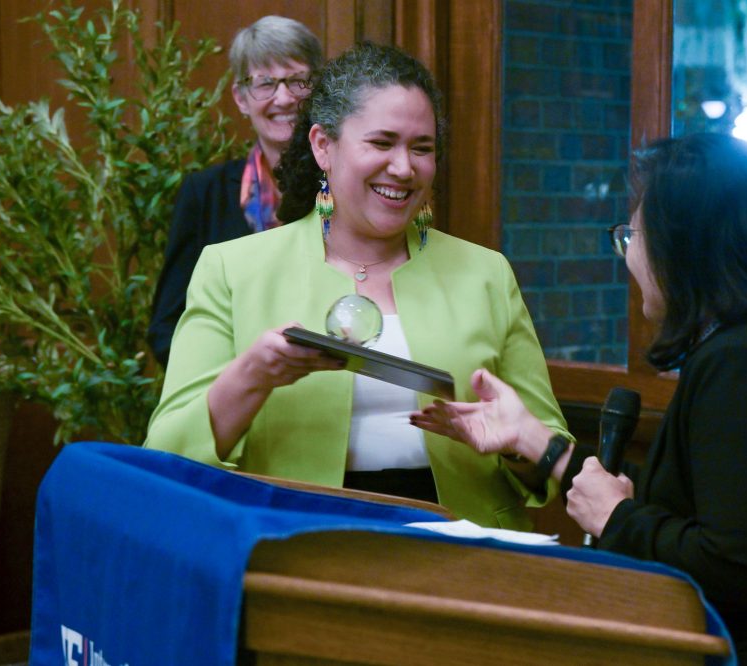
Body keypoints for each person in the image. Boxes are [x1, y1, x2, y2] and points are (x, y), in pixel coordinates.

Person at [411, 133, 747, 664]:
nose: (629, 255)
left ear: (689, 246)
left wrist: (616, 518)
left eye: (633, 235)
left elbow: (736, 567)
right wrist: (538, 442)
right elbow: (691, 505)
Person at [144, 42, 571, 531]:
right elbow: (166, 455)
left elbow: (549, 457)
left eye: (422, 148)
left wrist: (514, 444)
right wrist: (251, 377)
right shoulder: (231, 269)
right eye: (382, 143)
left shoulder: (486, 273)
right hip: (295, 545)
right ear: (323, 145)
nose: (404, 167)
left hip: (464, 548)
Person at [147, 16, 323, 367]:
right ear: (241, 99)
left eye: (297, 81)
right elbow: (167, 327)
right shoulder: (203, 195)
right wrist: (240, 378)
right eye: (265, 83)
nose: (284, 98)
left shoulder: (346, 189)